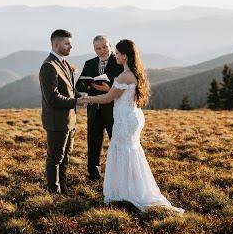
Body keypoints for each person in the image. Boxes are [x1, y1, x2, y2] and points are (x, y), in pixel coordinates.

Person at [78, 39, 184, 213]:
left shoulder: (124, 76)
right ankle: (131, 188)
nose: (116, 56)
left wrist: (87, 99)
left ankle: (125, 192)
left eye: (118, 53)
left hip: (125, 119)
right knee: (130, 152)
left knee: (122, 151)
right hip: (133, 116)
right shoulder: (135, 72)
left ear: (125, 56)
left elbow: (108, 97)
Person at [76, 35, 124, 181]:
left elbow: (122, 87)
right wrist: (88, 84)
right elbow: (79, 85)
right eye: (98, 48)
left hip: (112, 110)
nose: (102, 50)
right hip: (93, 110)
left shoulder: (119, 63)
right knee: (93, 144)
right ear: (94, 49)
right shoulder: (89, 63)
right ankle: (93, 175)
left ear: (110, 46)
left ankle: (119, 174)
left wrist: (108, 89)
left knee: (116, 143)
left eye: (105, 47)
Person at [39, 29, 79, 194]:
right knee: (55, 158)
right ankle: (53, 193)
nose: (71, 46)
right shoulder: (48, 66)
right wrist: (77, 101)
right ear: (56, 44)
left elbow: (68, 90)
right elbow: (53, 98)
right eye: (67, 43)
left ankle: (64, 189)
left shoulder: (64, 63)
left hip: (69, 120)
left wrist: (82, 95)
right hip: (56, 121)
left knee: (66, 157)